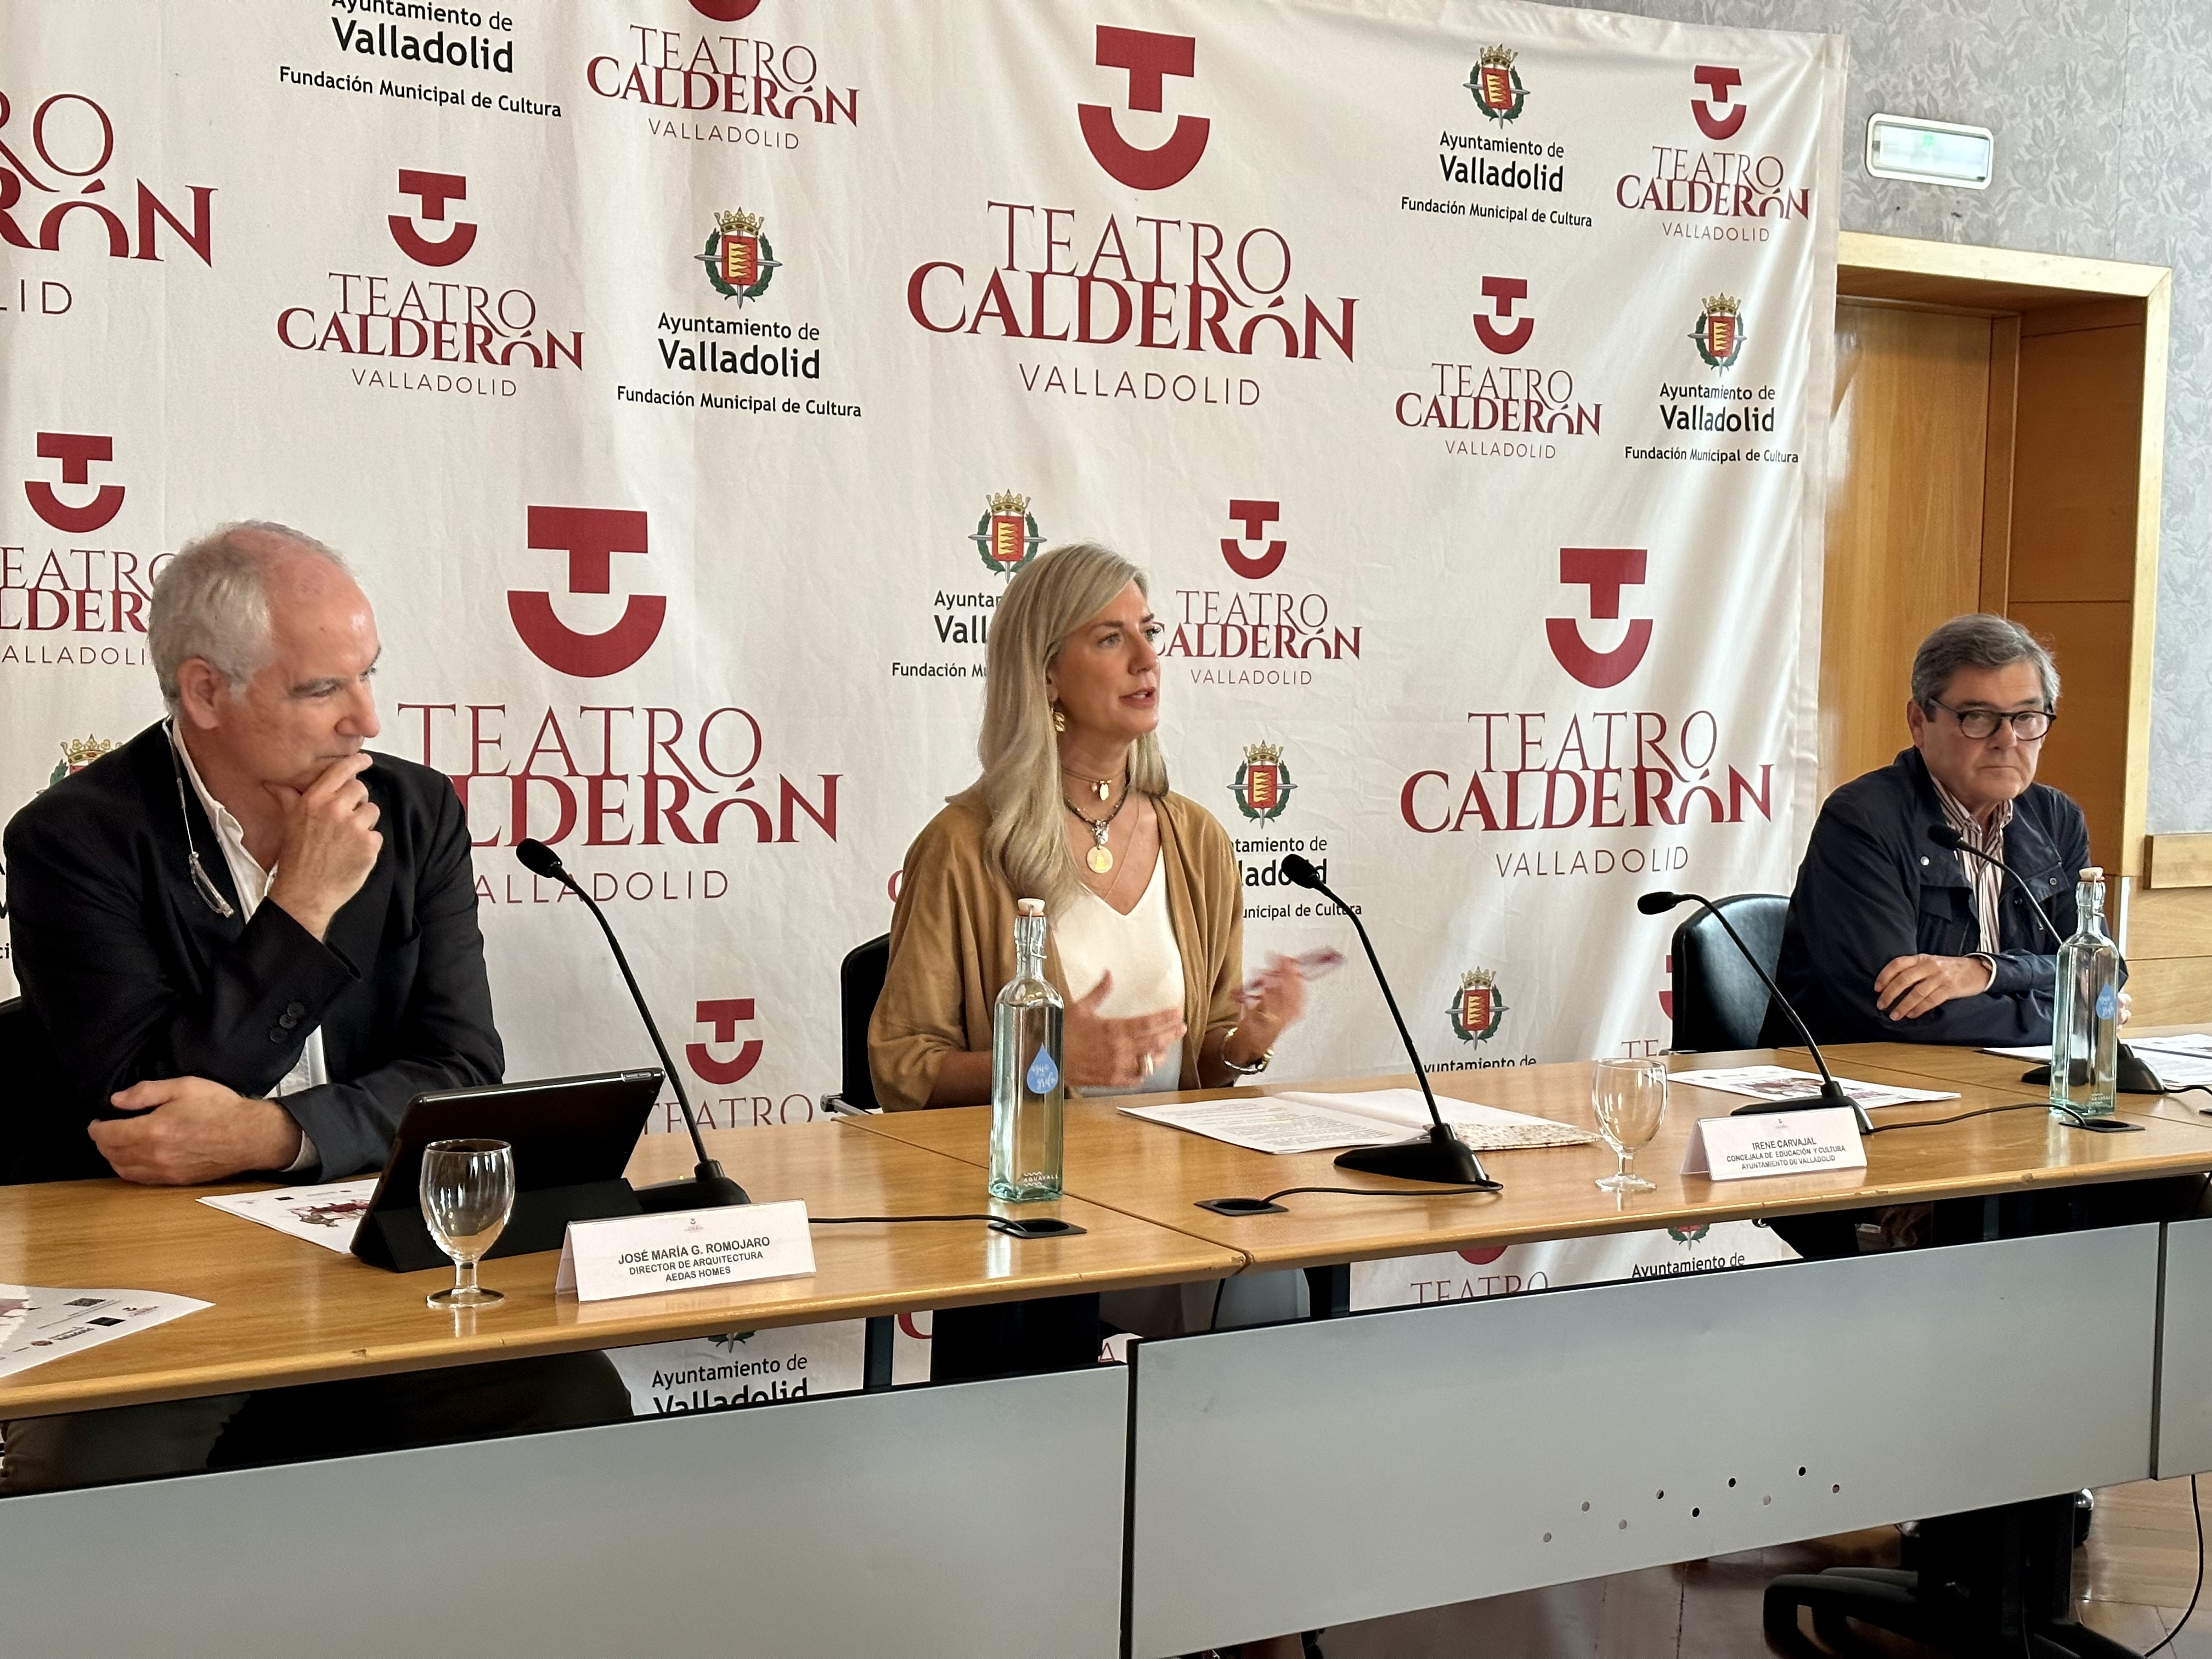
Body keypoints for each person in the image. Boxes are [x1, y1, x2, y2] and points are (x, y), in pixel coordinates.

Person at [0, 521, 628, 1493]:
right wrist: (301, 908)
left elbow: (460, 1069)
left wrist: (277, 1134)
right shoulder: (75, 838)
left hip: (364, 1250)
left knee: (571, 1397)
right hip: (154, 1272)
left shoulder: (415, 812)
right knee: (99, 1467)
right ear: (206, 692)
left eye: (368, 675)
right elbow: (145, 1111)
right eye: (321, 689)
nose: (365, 718)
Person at [871, 540, 1316, 1659]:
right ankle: (1055, 1604)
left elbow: (1204, 1056)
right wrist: (1049, 1056)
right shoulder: (967, 845)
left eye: (1149, 632)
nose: (1146, 658)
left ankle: (1230, 1599)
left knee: (1273, 1287)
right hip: (1035, 1210)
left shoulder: (1199, 838)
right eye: (1111, 637)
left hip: (1179, 1203)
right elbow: (902, 1062)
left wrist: (1246, 1039)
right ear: (1047, 674)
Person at [1773, 613, 2100, 1048]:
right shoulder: (1862, 821)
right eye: (1977, 717)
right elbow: (1897, 1009)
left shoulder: (2055, 819)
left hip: (1998, 1072)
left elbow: (2098, 973)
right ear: (1918, 722)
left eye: (2026, 717)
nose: (2007, 740)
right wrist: (2075, 1019)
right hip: (1861, 1075)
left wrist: (1986, 972)